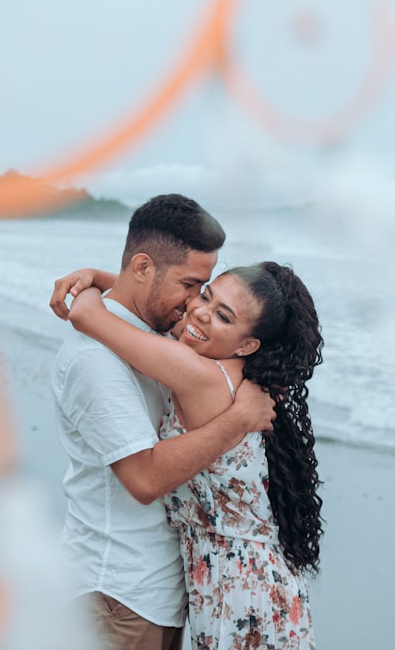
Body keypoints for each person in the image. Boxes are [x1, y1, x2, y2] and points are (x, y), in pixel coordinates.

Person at [48, 194, 277, 650]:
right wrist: (237, 421)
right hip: (118, 594)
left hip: (157, 595)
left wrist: (94, 279)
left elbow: (139, 305)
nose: (195, 304)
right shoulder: (97, 360)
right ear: (143, 268)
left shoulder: (156, 331)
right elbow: (145, 477)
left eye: (204, 287)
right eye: (191, 284)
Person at [65, 260, 325, 649]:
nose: (199, 312)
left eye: (223, 315)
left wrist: (85, 282)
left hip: (240, 596)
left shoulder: (200, 375)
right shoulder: (222, 362)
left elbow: (86, 315)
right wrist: (101, 277)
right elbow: (173, 315)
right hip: (247, 582)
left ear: (247, 345)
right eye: (205, 294)